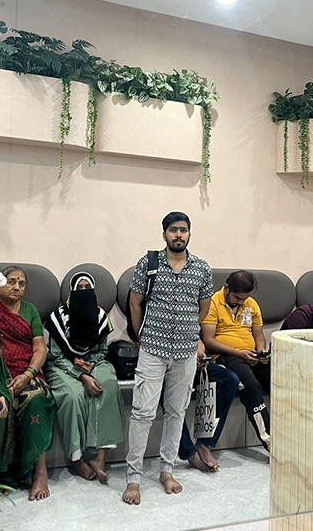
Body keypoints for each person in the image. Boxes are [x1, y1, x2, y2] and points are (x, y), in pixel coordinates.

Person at [123, 212, 213, 505]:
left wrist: (188, 331)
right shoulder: (148, 264)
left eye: (183, 230)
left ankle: (167, 470)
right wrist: (140, 336)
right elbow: (135, 303)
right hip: (152, 348)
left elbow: (203, 308)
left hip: (185, 351)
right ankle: (134, 477)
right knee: (142, 413)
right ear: (164, 234)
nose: (178, 235)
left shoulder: (202, 268)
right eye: (173, 230)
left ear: (189, 234)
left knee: (177, 411)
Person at [0, 266, 55, 500]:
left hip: (27, 373)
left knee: (36, 399)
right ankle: (2, 474)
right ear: (0, 282)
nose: (16, 287)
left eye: (21, 284)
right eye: (11, 281)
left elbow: (40, 349)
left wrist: (28, 375)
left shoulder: (29, 310)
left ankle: (40, 472)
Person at [45, 272, 123, 483]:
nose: (83, 291)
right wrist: (81, 375)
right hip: (62, 364)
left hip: (92, 362)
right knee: (74, 395)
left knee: (107, 384)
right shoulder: (59, 318)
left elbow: (102, 350)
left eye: (87, 288)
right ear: (71, 291)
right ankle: (77, 458)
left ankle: (100, 457)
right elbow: (56, 355)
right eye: (79, 288)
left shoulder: (100, 317)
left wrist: (92, 364)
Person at [200, 270, 270, 451]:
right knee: (250, 385)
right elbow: (209, 340)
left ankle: (293, 434)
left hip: (250, 355)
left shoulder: (251, 304)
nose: (241, 302)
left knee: (279, 376)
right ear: (226, 288)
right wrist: (239, 353)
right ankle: (270, 440)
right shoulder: (213, 303)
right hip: (225, 356)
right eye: (238, 298)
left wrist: (261, 352)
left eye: (244, 299)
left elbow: (259, 336)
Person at [176, 340, 239, 473]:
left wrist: (199, 354)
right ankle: (189, 453)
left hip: (191, 360)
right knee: (168, 391)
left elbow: (197, 339)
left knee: (229, 380)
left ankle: (205, 443)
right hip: (165, 363)